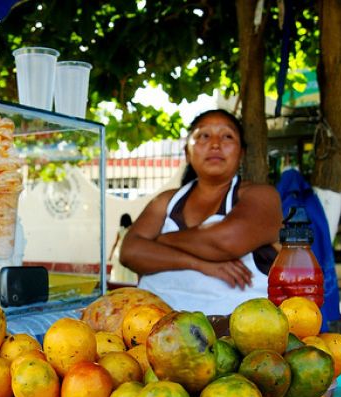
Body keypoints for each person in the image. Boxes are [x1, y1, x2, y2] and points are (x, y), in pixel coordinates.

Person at [119, 109, 283, 315]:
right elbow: (130, 252)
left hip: (236, 336)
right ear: (187, 152)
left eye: (227, 136)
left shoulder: (262, 196)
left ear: (241, 153)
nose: (215, 144)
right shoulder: (167, 201)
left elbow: (226, 242)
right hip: (149, 327)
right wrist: (201, 264)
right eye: (204, 136)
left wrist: (161, 240)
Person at [109, 213, 138, 283]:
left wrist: (110, 255)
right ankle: (130, 283)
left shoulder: (120, 231)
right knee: (130, 271)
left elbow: (115, 244)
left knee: (121, 270)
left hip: (121, 253)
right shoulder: (133, 230)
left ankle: (121, 283)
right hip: (131, 252)